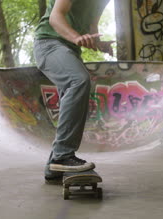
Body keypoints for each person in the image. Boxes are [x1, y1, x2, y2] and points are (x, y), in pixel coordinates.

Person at [33, 0, 113, 184]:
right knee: (78, 81)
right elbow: (56, 17)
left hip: (69, 51)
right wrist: (76, 37)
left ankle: (53, 167)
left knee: (71, 102)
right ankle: (62, 156)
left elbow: (92, 25)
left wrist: (99, 44)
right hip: (49, 44)